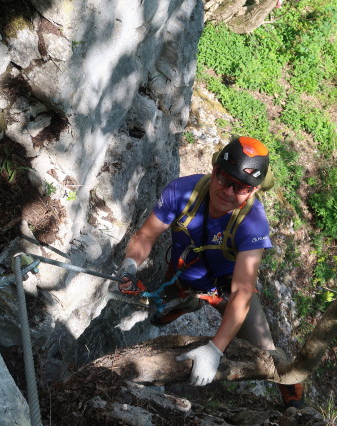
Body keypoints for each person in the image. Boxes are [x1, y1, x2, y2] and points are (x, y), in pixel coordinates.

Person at [118, 136, 304, 408]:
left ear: (253, 191)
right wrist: (130, 265)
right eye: (224, 179)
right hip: (185, 276)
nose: (228, 191)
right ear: (214, 169)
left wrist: (215, 349)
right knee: (158, 316)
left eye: (240, 187)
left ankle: (291, 388)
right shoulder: (182, 192)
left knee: (265, 349)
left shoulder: (252, 224)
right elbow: (146, 236)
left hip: (228, 287)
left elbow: (242, 291)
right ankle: (187, 302)